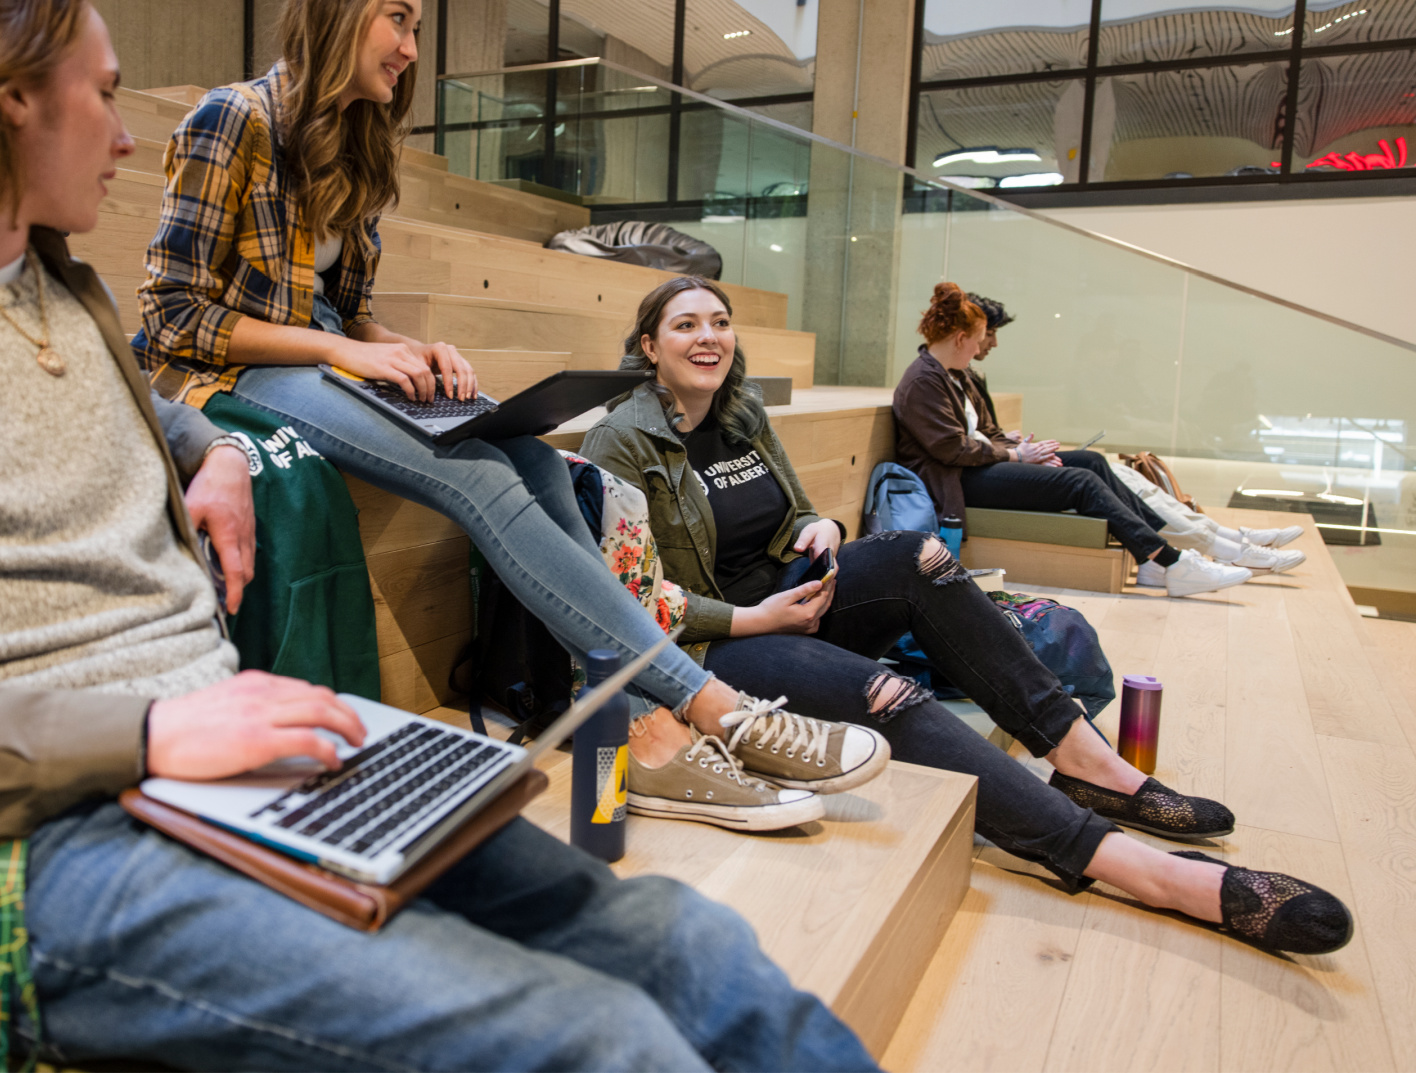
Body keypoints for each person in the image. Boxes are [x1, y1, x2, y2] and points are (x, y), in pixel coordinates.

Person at [0, 0, 879, 1073]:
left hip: (237, 774)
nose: (129, 137)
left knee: (683, 942)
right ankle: (687, 710)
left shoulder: (54, 302)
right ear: (7, 96)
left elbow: (124, 376)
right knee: (593, 1038)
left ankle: (653, 726)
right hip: (27, 852)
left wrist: (196, 444)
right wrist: (145, 737)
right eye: (107, 92)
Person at [130, 0, 880, 824]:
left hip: (320, 355)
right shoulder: (235, 119)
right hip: (230, 376)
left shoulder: (365, 141)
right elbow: (173, 318)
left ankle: (640, 744)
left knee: (528, 454)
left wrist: (407, 346)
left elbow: (349, 306)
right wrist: (345, 349)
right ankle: (704, 707)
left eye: (416, 28)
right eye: (397, 22)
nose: (412, 50)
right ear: (338, 11)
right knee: (475, 471)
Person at [576, 276, 1353, 956]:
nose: (707, 336)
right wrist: (757, 618)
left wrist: (827, 529)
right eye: (685, 324)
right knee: (890, 695)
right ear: (649, 345)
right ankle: (1126, 863)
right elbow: (632, 598)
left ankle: (1094, 768)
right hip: (713, 645)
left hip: (797, 596)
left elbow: (799, 508)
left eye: (719, 321)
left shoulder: (742, 411)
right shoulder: (620, 439)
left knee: (922, 555)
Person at [894, 283, 1252, 598]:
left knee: (1091, 461)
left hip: (980, 466)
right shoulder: (924, 381)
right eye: (979, 339)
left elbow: (985, 431)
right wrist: (1017, 456)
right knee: (1079, 482)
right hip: (957, 481)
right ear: (960, 338)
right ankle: (1170, 562)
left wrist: (1026, 452)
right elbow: (952, 450)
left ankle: (1155, 555)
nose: (982, 347)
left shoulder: (958, 374)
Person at [964, 292, 1306, 574]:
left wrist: (1014, 445)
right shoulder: (939, 378)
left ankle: (1224, 537)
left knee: (1119, 472)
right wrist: (1016, 453)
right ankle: (1211, 548)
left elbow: (986, 432)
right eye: (987, 334)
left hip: (997, 461)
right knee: (1097, 476)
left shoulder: (967, 375)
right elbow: (958, 445)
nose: (991, 342)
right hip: (981, 474)